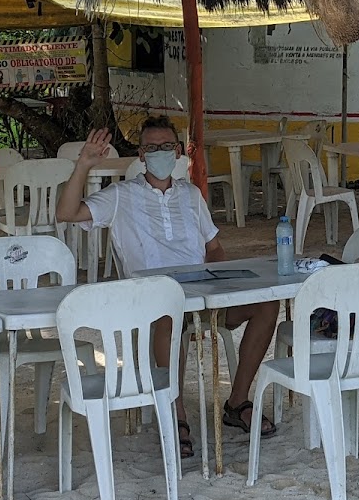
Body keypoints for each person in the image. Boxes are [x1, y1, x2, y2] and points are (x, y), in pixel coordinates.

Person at [55, 116, 278, 458]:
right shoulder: (121, 196)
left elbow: (214, 247)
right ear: (141, 155)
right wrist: (84, 164)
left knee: (267, 304)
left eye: (166, 146)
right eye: (151, 147)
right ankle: (176, 414)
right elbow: (66, 213)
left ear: (177, 152)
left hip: (201, 292)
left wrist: (223, 281)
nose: (159, 152)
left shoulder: (190, 194)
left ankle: (237, 402)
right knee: (168, 315)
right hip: (151, 299)